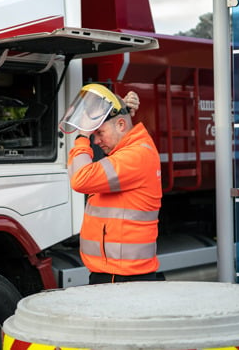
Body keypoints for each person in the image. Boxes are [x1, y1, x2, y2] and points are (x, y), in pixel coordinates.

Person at [59, 84, 162, 284]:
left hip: (123, 277)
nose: (96, 141)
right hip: (116, 273)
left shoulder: (135, 156)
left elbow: (81, 179)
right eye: (93, 134)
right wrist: (117, 106)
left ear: (121, 125)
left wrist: (82, 136)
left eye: (99, 133)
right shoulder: (128, 151)